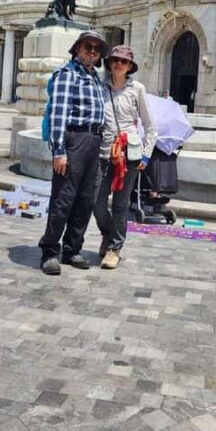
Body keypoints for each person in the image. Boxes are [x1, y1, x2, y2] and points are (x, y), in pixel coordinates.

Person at [38, 30, 108, 275]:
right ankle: (49, 250)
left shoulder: (96, 78)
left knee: (86, 199)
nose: (92, 51)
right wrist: (59, 151)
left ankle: (72, 248)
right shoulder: (68, 74)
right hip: (74, 139)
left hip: (93, 140)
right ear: (77, 48)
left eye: (97, 49)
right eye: (88, 46)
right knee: (63, 198)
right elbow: (59, 114)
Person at [93, 46, 157, 269]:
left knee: (121, 204)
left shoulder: (137, 89)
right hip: (104, 152)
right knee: (96, 202)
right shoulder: (100, 86)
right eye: (115, 60)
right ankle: (108, 234)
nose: (118, 64)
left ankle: (114, 248)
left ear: (130, 66)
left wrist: (147, 156)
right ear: (109, 63)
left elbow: (150, 127)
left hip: (129, 154)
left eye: (123, 61)